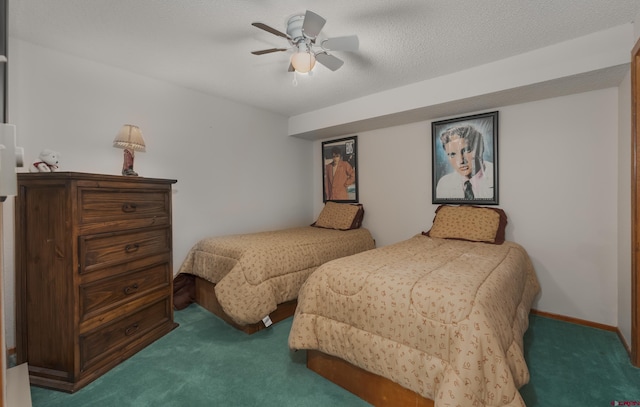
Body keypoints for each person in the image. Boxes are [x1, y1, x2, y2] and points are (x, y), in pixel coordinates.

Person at [435, 124, 494, 200]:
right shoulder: (444, 184)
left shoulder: (497, 176)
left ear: (480, 149)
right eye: (452, 154)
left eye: (466, 150)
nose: (460, 161)